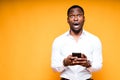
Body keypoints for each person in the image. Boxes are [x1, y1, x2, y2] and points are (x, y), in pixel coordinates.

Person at [51, 5, 103, 80]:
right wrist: (65, 63)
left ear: (84, 18)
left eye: (79, 15)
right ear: (68, 20)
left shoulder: (94, 40)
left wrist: (87, 64)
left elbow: (98, 66)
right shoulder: (58, 40)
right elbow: (54, 67)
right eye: (72, 16)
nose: (75, 19)